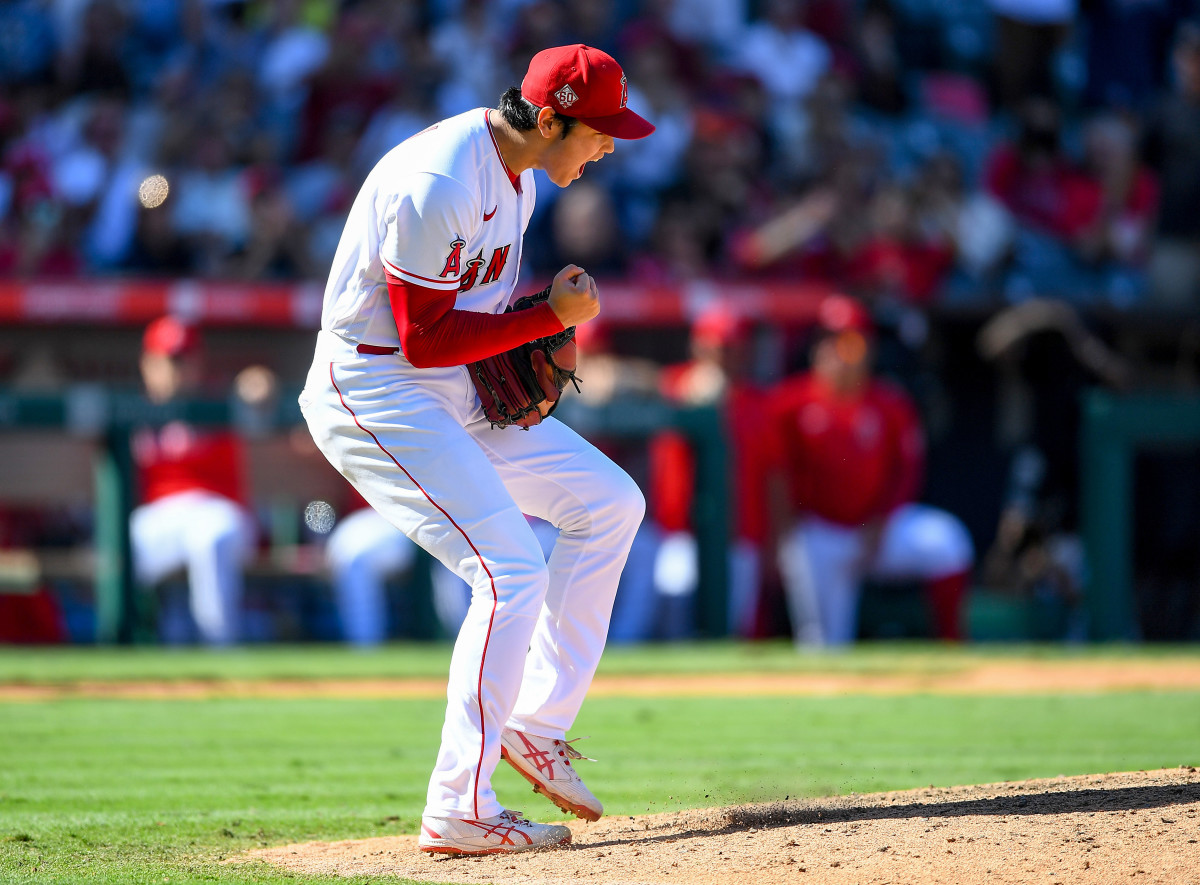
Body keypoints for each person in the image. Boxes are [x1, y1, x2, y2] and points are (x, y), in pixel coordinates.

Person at [297, 44, 653, 855]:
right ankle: (459, 803)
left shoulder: (520, 176)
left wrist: (530, 319)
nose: (607, 148)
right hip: (375, 389)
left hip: (445, 388)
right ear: (551, 117)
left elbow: (469, 327)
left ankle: (535, 723)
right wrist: (549, 319)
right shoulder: (441, 182)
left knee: (610, 503)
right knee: (508, 569)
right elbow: (424, 339)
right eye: (599, 133)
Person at [765, 295, 974, 646]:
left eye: (851, 341)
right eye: (832, 341)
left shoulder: (889, 403)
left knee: (946, 541)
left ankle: (952, 645)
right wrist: (781, 533)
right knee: (823, 643)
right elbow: (776, 476)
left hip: (876, 532)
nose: (840, 352)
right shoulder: (789, 403)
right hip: (821, 533)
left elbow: (906, 473)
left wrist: (880, 521)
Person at [129, 316, 256, 645]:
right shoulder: (133, 412)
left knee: (209, 537)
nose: (177, 369)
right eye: (169, 360)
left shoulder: (220, 403)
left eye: (184, 359)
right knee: (122, 545)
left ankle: (221, 648)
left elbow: (255, 386)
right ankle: (124, 648)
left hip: (220, 513)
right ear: (148, 364)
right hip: (161, 519)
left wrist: (257, 382)